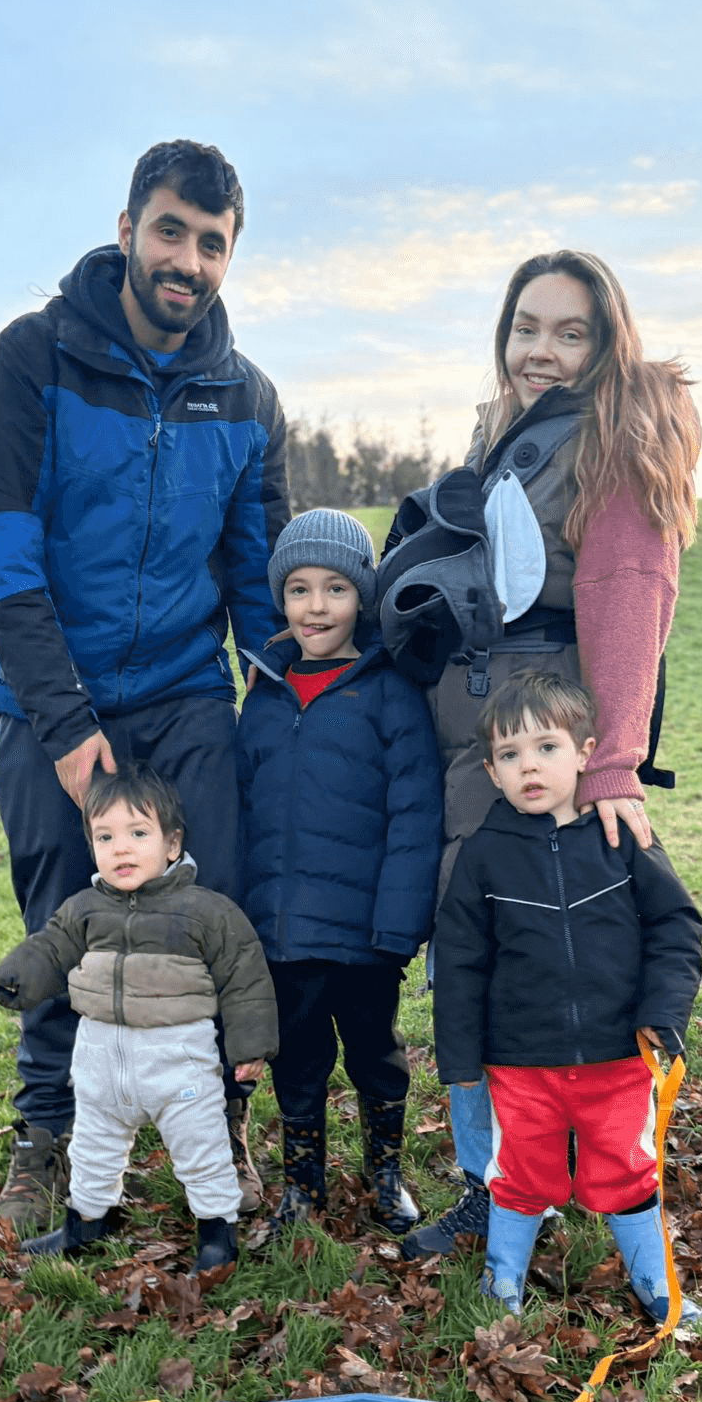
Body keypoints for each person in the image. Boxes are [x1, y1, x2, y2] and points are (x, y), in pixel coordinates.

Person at [0, 138, 289, 1236]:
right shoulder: (33, 359)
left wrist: (290, 704)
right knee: (68, 919)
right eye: (170, 231)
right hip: (52, 702)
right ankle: (45, 1132)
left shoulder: (247, 398)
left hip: (186, 699)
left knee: (211, 914)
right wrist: (64, 726)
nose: (187, 261)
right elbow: (6, 564)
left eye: (213, 244)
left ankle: (218, 1125)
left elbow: (258, 578)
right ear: (127, 229)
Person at [396, 249, 700, 1260]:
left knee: (533, 956)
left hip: (541, 746)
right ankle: (506, 1179)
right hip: (474, 743)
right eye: (527, 327)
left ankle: (554, 1176)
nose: (543, 350)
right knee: (472, 951)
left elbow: (627, 602)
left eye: (571, 333)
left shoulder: (616, 435)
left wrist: (610, 766)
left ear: (606, 344)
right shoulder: (511, 434)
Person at [433, 672, 702, 1317]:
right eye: (509, 755)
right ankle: (503, 1279)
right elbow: (461, 964)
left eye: (546, 747)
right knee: (522, 1171)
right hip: (520, 1061)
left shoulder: (623, 838)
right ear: (492, 772)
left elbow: (676, 925)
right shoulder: (482, 856)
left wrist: (663, 1013)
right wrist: (461, 1060)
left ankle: (654, 1280)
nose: (528, 766)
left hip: (618, 1054)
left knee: (626, 1166)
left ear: (585, 753)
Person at [236, 510, 442, 1233]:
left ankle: (385, 1173)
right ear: (281, 599)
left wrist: (398, 926)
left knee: (375, 1054)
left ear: (363, 597)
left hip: (364, 935)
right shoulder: (264, 695)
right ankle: (303, 1185)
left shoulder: (389, 692)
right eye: (298, 589)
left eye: (335, 589)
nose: (316, 607)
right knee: (297, 1059)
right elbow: (243, 811)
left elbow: (416, 816)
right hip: (283, 932)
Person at [0, 765, 278, 1274]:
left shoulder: (205, 912)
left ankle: (217, 1234)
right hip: (100, 1061)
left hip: (178, 1065)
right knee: (93, 1149)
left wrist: (250, 1046)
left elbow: (244, 976)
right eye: (105, 837)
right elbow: (51, 949)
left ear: (172, 844)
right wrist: (18, 975)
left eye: (138, 834)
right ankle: (87, 1220)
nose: (121, 848)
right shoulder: (84, 910)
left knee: (202, 1150)